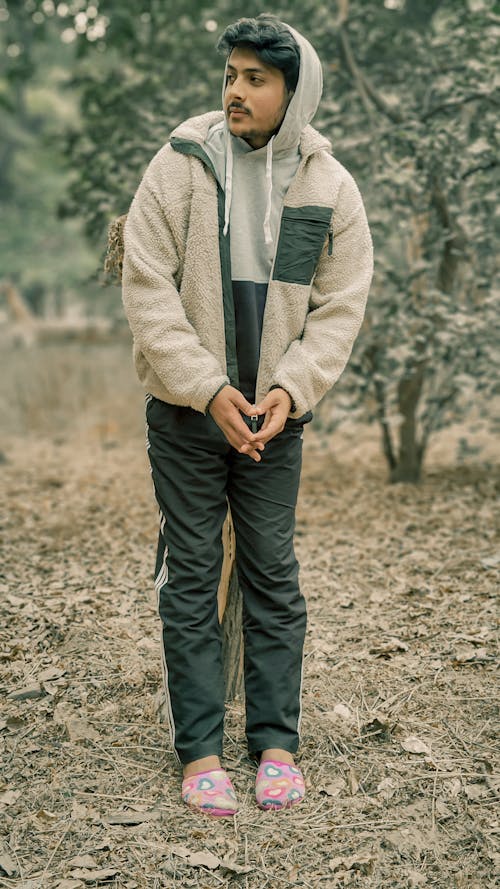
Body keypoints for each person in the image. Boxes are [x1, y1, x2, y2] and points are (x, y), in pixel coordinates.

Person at [121, 14, 373, 817]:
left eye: (255, 79)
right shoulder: (179, 164)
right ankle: (199, 752)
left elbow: (340, 308)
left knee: (273, 573)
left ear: (293, 96)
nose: (235, 90)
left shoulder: (329, 187)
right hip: (185, 412)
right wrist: (206, 386)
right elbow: (147, 286)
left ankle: (275, 745)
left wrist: (288, 391)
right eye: (231, 74)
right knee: (191, 576)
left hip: (274, 420)